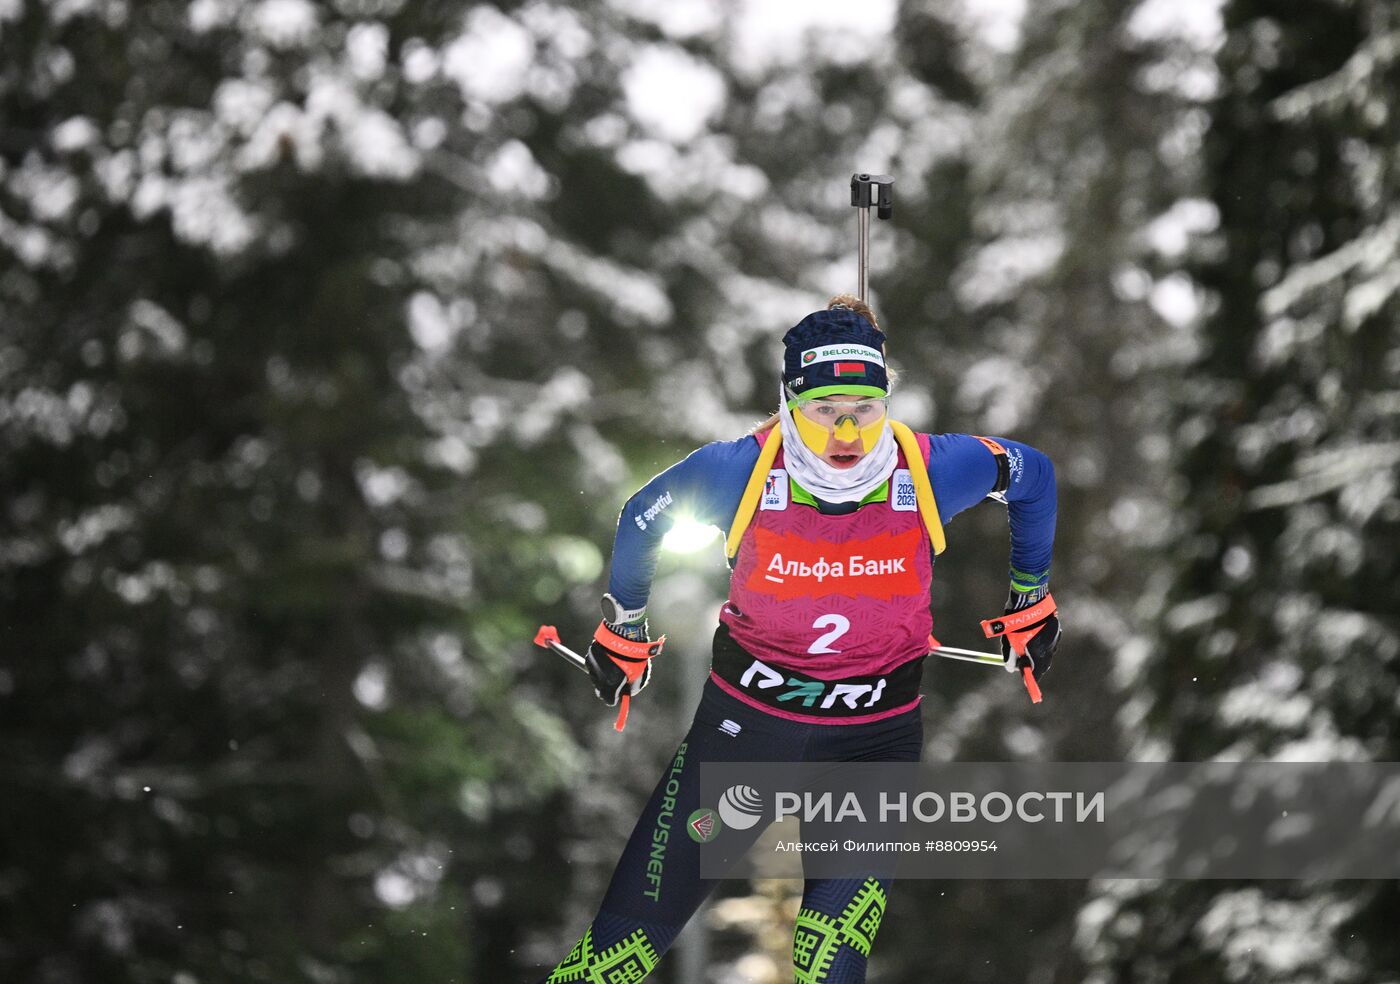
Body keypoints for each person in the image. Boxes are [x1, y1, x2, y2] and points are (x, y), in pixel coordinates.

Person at [540, 296, 1059, 983]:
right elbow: (643, 518)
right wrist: (623, 628)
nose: (847, 429)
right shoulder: (741, 470)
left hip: (873, 744)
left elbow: (1033, 475)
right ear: (789, 402)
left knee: (829, 965)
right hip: (746, 734)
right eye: (825, 410)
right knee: (613, 961)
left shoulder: (930, 468)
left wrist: (1030, 596)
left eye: (866, 407)